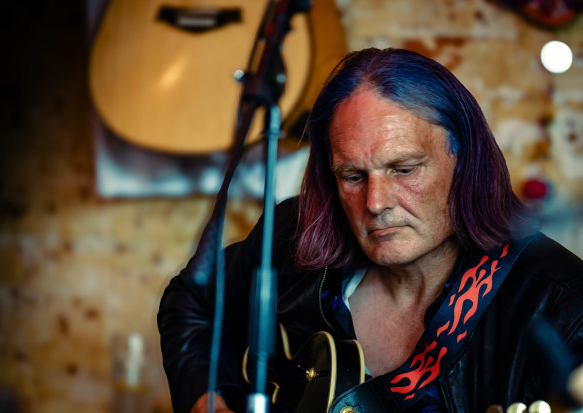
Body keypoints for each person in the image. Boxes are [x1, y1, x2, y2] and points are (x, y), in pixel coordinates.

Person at [157, 48, 583, 413]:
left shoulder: (563, 306)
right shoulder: (294, 234)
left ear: (466, 161)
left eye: (404, 169)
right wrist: (208, 400)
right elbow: (192, 298)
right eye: (352, 176)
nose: (375, 203)